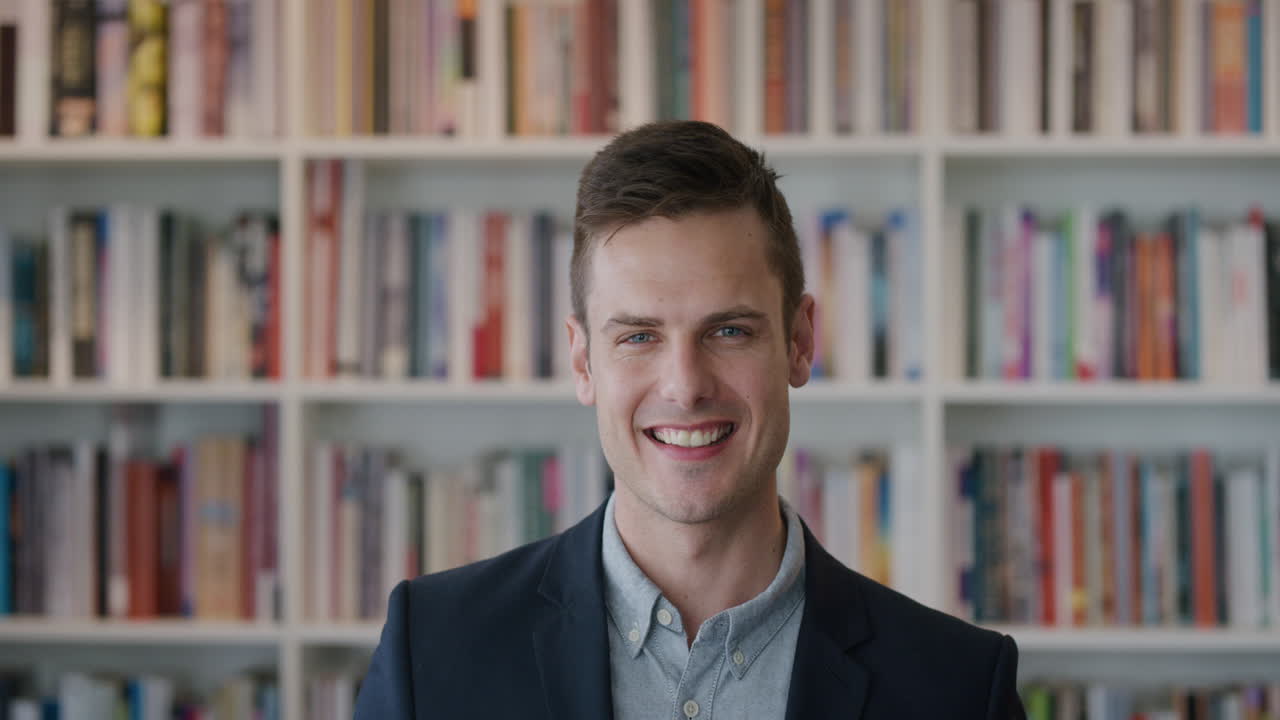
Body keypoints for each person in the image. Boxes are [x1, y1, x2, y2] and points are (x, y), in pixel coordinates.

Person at [353, 120, 1026, 719]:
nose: (685, 386)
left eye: (729, 331)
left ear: (798, 341)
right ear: (583, 361)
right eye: (639, 336)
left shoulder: (960, 688)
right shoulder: (434, 650)